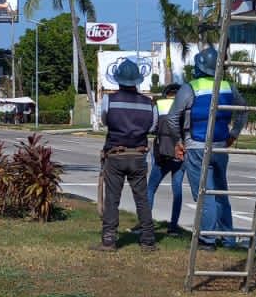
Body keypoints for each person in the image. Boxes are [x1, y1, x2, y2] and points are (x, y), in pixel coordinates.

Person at [166, 47, 245, 247]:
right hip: (220, 146)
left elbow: (173, 117)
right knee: (220, 192)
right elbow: (243, 111)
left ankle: (207, 239)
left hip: (196, 147)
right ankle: (228, 238)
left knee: (204, 193)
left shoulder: (190, 87)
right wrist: (233, 135)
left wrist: (178, 141)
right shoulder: (228, 86)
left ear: (200, 67)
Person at [96, 58, 158, 252]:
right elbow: (153, 126)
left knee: (112, 198)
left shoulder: (109, 100)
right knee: (142, 199)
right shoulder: (149, 104)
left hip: (115, 154)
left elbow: (105, 120)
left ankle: (109, 240)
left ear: (119, 80)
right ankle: (147, 240)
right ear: (137, 80)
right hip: (138, 155)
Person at [145, 81, 185, 236]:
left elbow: (152, 127)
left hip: (162, 154)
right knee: (178, 191)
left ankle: (146, 224)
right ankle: (173, 227)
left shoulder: (159, 105)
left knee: (151, 188)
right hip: (181, 155)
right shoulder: (186, 106)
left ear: (166, 94)